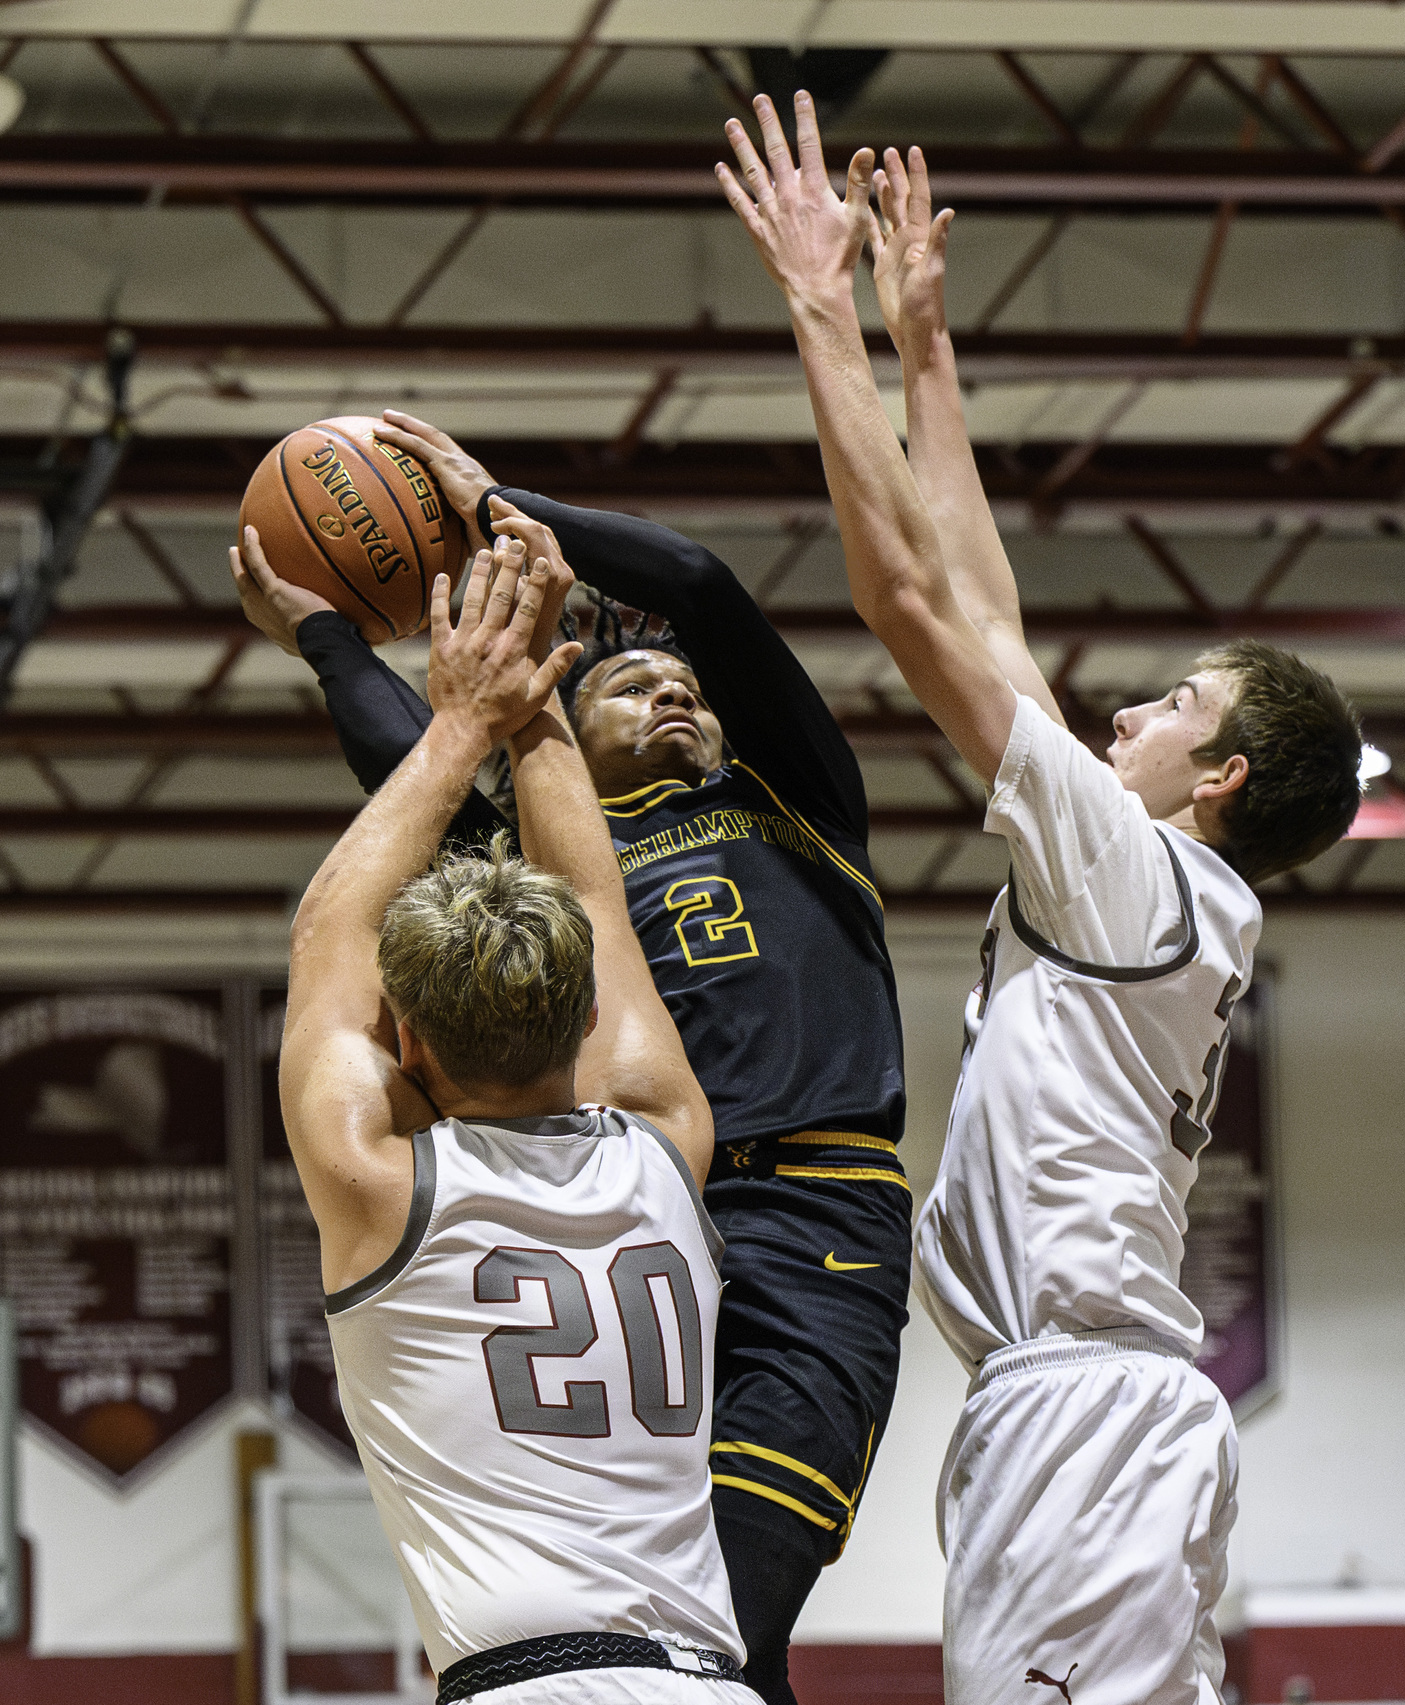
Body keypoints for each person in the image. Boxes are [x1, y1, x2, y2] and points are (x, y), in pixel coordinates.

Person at [717, 94, 1362, 1705]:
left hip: (1084, 1415)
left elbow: (910, 597)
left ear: (1216, 781)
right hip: (1082, 1409)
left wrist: (821, 307)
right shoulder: (1148, 889)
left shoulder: (1137, 875)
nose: (1125, 714)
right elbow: (989, 614)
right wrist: (925, 338)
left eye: (1170, 707)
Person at [233, 438, 912, 1705]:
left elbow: (702, 584)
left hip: (812, 1222)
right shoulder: (545, 865)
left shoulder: (797, 797)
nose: (675, 695)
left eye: (686, 690)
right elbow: (415, 767)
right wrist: (333, 642)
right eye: (630, 683)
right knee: (671, 1622)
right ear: (562, 727)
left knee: (737, 1623)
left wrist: (499, 506)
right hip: (632, 1206)